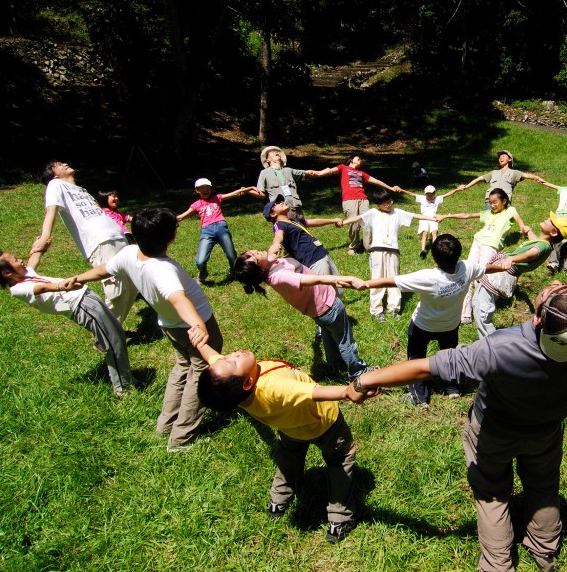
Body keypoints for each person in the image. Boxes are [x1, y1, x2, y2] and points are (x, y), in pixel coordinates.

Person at [346, 281, 567, 572]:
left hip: (493, 432)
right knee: (543, 487)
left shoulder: (501, 348)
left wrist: (364, 380)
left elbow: (426, 368)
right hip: (546, 432)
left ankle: (497, 569)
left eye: (554, 294)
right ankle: (545, 549)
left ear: (538, 319)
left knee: (492, 494)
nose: (552, 288)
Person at [66, 208, 223, 452]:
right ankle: (181, 438)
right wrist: (198, 324)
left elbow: (102, 270)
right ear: (171, 237)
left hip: (170, 326)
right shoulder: (163, 268)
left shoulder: (129, 252)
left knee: (182, 368)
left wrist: (79, 278)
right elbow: (178, 299)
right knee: (201, 374)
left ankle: (165, 425)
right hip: (192, 327)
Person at [191, 337, 375, 544]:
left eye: (226, 357)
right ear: (248, 382)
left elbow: (213, 360)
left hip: (290, 428)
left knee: (288, 458)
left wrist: (199, 344)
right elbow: (316, 393)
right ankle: (340, 519)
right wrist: (346, 392)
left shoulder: (232, 390)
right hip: (325, 423)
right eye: (233, 361)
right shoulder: (273, 387)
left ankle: (278, 501)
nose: (234, 354)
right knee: (340, 459)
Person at [344, 234, 485, 407]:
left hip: (423, 326)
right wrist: (506, 264)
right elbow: (487, 268)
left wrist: (365, 284)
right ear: (458, 254)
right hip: (450, 326)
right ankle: (453, 388)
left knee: (416, 361)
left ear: (434, 257)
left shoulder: (428, 277)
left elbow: (393, 280)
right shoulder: (467, 268)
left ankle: (419, 397)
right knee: (450, 356)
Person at [0, 244, 134, 398]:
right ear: (7, 272)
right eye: (15, 260)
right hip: (82, 306)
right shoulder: (18, 289)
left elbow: (34, 259)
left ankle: (125, 377)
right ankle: (122, 387)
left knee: (118, 336)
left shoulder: (26, 274)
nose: (20, 260)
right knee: (112, 342)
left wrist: (41, 247)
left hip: (86, 299)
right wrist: (62, 286)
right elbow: (42, 288)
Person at [232, 250, 370, 381]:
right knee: (345, 341)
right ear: (260, 270)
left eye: (250, 252)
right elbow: (316, 280)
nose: (255, 252)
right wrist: (349, 279)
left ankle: (334, 365)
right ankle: (358, 372)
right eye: (255, 258)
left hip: (318, 310)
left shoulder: (269, 267)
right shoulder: (281, 277)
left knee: (328, 335)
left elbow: (274, 249)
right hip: (328, 305)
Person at [31, 160, 137, 323]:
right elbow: (51, 209)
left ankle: (112, 330)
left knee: (132, 287)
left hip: (117, 236)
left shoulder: (82, 190)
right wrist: (45, 236)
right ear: (54, 174)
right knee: (117, 290)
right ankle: (105, 334)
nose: (64, 163)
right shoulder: (55, 185)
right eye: (57, 165)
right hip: (100, 240)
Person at [469, 213, 567, 338]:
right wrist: (529, 231)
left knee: (483, 309)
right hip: (503, 272)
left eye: (551, 221)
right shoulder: (544, 243)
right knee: (478, 301)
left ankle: (490, 341)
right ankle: (485, 335)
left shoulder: (543, 246)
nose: (547, 219)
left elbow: (531, 254)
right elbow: (535, 243)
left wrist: (512, 259)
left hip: (502, 274)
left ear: (553, 232)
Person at [342, 189, 437, 321]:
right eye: (386, 203)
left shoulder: (397, 212)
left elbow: (415, 216)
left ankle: (393, 308)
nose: (389, 204)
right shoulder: (373, 213)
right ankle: (376, 310)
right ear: (378, 205)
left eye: (390, 201)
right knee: (376, 280)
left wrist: (432, 218)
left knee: (394, 280)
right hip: (376, 251)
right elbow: (358, 218)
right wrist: (342, 222)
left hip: (393, 251)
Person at [440, 188, 531, 324]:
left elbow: (519, 220)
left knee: (480, 277)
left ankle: (481, 310)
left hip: (491, 246)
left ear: (504, 201)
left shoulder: (510, 211)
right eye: (490, 202)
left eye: (495, 202)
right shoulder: (488, 213)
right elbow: (468, 215)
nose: (492, 205)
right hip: (477, 242)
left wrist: (523, 228)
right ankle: (465, 314)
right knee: (467, 275)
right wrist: (447, 216)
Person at [306, 153, 403, 255]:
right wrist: (317, 173)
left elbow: (377, 181)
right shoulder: (343, 167)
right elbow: (329, 170)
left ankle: (369, 247)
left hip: (363, 199)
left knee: (367, 223)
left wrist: (390, 188)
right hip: (349, 200)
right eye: (358, 158)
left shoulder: (362, 173)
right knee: (353, 224)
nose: (361, 160)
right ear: (351, 160)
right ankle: (354, 246)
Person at [176, 178, 255, 284]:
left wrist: (250, 188)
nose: (205, 190)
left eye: (207, 187)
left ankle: (234, 273)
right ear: (197, 190)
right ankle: (203, 274)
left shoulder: (217, 198)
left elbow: (234, 194)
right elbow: (180, 217)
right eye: (202, 188)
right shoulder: (196, 204)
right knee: (200, 261)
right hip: (207, 231)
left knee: (232, 256)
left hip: (221, 227)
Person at [262, 195, 344, 285]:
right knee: (326, 290)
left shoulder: (293, 221)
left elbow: (315, 221)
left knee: (338, 286)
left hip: (321, 254)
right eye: (276, 204)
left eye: (280, 201)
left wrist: (334, 220)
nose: (281, 203)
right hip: (313, 260)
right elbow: (278, 235)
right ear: (273, 214)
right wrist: (275, 245)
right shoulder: (279, 225)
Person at [395, 183, 459, 258]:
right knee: (425, 233)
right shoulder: (422, 198)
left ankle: (435, 249)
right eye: (427, 194)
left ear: (434, 193)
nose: (429, 196)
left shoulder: (437, 199)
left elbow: (448, 194)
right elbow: (411, 194)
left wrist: (457, 189)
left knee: (434, 232)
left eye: (431, 194)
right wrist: (401, 190)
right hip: (423, 218)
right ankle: (423, 250)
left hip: (434, 218)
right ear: (425, 194)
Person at [454, 150, 541, 204]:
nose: (500, 158)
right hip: (490, 200)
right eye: (499, 157)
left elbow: (527, 175)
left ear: (509, 159)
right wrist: (465, 187)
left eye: (503, 156)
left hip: (504, 201)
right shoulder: (494, 173)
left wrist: (537, 178)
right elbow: (479, 179)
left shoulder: (514, 173)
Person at [249, 146, 309, 220]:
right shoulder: (264, 173)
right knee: (284, 230)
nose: (276, 152)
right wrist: (247, 191)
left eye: (278, 151)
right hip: (280, 211)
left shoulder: (288, 170)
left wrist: (323, 172)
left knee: (302, 230)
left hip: (296, 209)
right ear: (267, 160)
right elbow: (261, 194)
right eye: (272, 152)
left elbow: (309, 173)